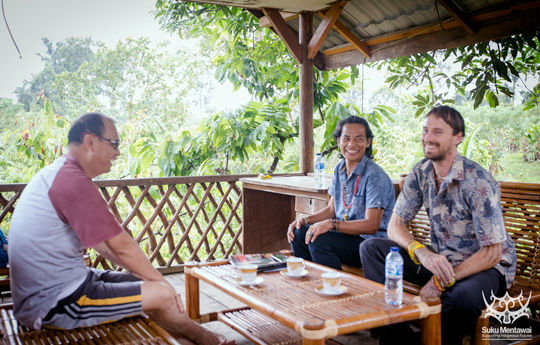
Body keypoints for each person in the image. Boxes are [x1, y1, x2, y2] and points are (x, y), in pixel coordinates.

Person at [8, 112, 234, 345]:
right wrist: (162, 283)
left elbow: (104, 247)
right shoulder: (71, 181)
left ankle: (187, 337)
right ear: (91, 142)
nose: (117, 152)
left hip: (61, 287)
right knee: (163, 292)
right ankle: (199, 336)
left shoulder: (59, 174)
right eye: (114, 144)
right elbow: (121, 246)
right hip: (55, 303)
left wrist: (147, 277)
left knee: (146, 285)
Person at [360, 106, 517, 344]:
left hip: (485, 269)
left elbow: (492, 254)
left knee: (460, 296)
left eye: (437, 132)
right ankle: (399, 334)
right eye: (425, 130)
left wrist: (439, 281)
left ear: (458, 137)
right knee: (371, 249)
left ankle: (428, 341)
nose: (428, 137)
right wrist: (419, 251)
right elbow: (395, 225)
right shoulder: (420, 173)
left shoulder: (478, 181)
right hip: (441, 259)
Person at [287, 116, 395, 270]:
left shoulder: (375, 176)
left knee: (319, 240)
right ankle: (309, 282)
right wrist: (304, 220)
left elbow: (372, 225)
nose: (352, 144)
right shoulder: (340, 169)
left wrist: (332, 225)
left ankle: (333, 287)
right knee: (299, 234)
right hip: (346, 238)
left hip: (370, 246)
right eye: (346, 138)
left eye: (359, 139)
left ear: (368, 142)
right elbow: (332, 210)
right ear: (338, 141)